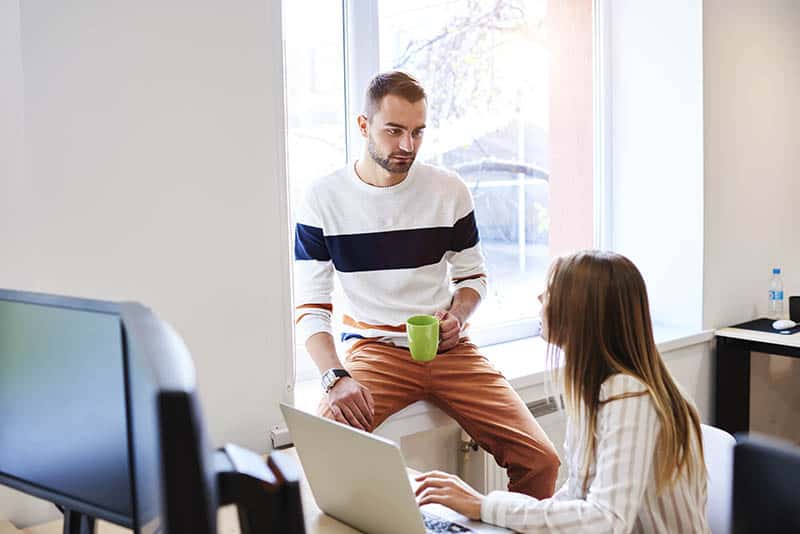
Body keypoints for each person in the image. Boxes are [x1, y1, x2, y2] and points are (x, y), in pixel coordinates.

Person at [293, 70, 560, 499]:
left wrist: (457, 317)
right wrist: (334, 376)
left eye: (418, 132)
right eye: (393, 131)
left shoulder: (448, 189)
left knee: (542, 461)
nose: (407, 146)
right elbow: (310, 307)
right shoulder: (323, 198)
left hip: (450, 350)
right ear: (364, 126)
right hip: (374, 350)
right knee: (322, 451)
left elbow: (473, 277)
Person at [415, 251, 710, 533]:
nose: (540, 298)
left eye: (550, 291)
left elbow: (607, 521)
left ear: (581, 312)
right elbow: (579, 498)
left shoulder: (629, 395)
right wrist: (498, 515)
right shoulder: (594, 388)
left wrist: (485, 506)